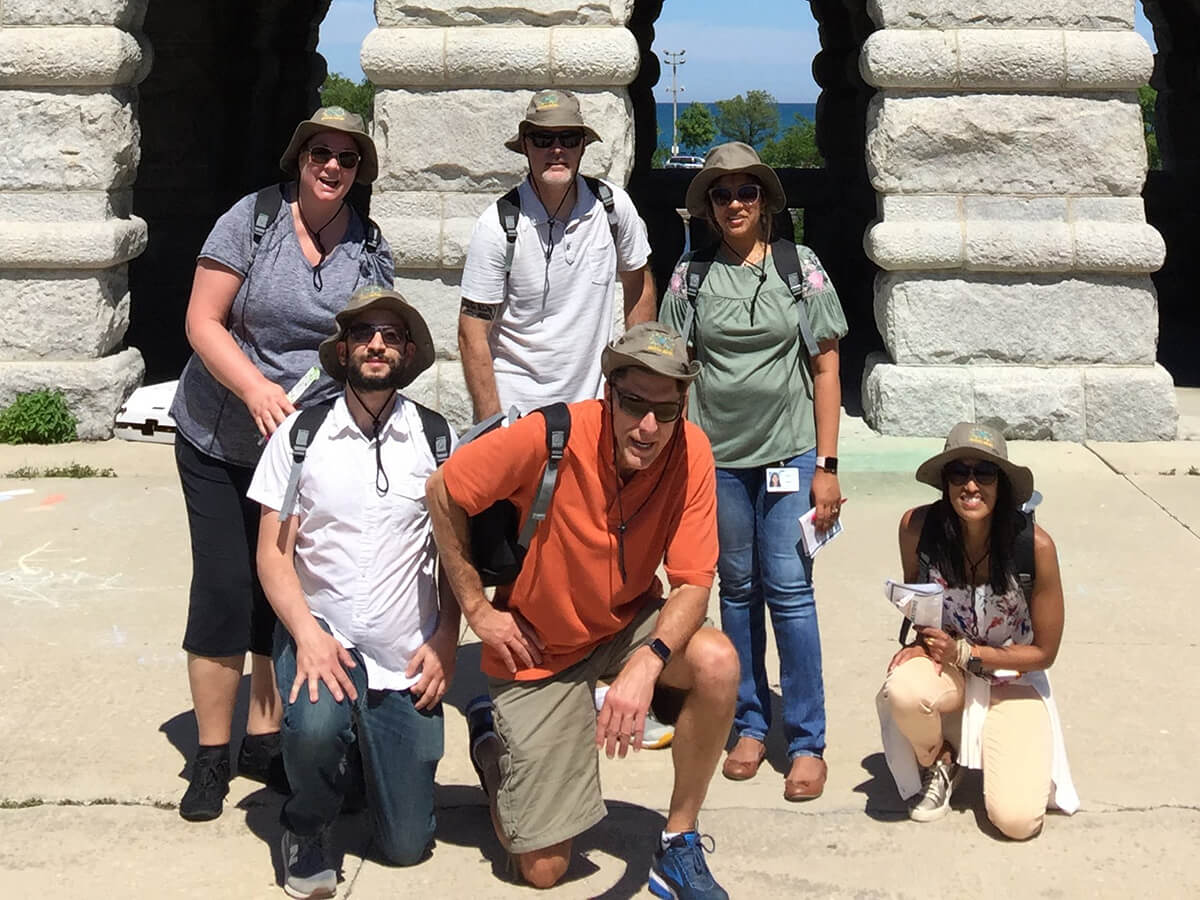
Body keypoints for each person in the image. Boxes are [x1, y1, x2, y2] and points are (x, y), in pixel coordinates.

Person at [427, 323, 739, 899]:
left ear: (683, 406)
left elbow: (694, 583)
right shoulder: (551, 434)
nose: (648, 427)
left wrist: (648, 662)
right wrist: (476, 609)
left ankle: (679, 841)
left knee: (717, 662)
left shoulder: (691, 450)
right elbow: (443, 491)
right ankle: (491, 746)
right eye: (634, 404)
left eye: (665, 410)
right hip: (538, 647)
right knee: (544, 869)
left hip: (625, 625)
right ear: (609, 392)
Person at [169, 106, 394, 821]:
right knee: (225, 589)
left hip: (304, 447)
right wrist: (254, 389)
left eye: (347, 159)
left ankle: (263, 741)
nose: (332, 167)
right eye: (319, 153)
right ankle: (211, 755)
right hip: (221, 435)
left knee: (285, 589)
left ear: (359, 172)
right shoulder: (253, 220)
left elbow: (374, 341)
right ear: (298, 158)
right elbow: (202, 319)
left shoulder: (368, 246)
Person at [249, 286, 459, 897]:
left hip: (404, 653)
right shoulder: (300, 436)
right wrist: (307, 637)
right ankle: (306, 826)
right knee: (315, 727)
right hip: (324, 635)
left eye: (391, 336)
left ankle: (368, 764)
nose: (376, 345)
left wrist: (448, 639)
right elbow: (272, 554)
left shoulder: (438, 440)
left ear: (407, 353)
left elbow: (456, 559)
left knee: (406, 846)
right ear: (343, 351)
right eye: (363, 334)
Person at [658, 142, 847, 801]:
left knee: (790, 591)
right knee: (736, 590)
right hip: (717, 462)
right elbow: (673, 369)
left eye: (746, 191)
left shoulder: (801, 268)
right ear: (707, 206)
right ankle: (747, 723)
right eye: (721, 193)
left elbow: (826, 367)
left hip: (790, 453)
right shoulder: (691, 275)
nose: (734, 203)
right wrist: (675, 461)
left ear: (764, 200)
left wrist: (827, 465)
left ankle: (807, 741)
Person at [877, 422, 1079, 837]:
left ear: (1002, 483)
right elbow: (921, 601)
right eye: (959, 473)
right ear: (945, 482)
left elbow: (1045, 652)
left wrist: (968, 654)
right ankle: (940, 758)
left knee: (1017, 822)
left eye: (984, 473)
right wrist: (920, 643)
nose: (971, 485)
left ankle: (996, 743)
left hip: (1011, 677)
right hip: (948, 668)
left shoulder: (1034, 547)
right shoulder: (917, 528)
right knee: (904, 688)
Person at [457, 88, 656, 421]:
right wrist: (491, 423)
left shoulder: (613, 208)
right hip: (518, 417)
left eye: (569, 138)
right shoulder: (497, 225)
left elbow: (639, 282)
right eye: (542, 139)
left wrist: (634, 378)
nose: (557, 149)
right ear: (525, 145)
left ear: (583, 145)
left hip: (594, 414)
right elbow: (472, 331)